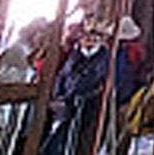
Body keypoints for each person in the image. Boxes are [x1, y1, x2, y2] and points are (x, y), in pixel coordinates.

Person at [41, 21, 110, 155]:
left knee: (76, 143)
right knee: (53, 142)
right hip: (64, 107)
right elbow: (62, 76)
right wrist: (56, 97)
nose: (89, 41)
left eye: (94, 39)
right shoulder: (74, 55)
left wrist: (74, 98)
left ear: (101, 41)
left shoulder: (104, 59)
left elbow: (94, 82)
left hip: (86, 110)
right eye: (86, 38)